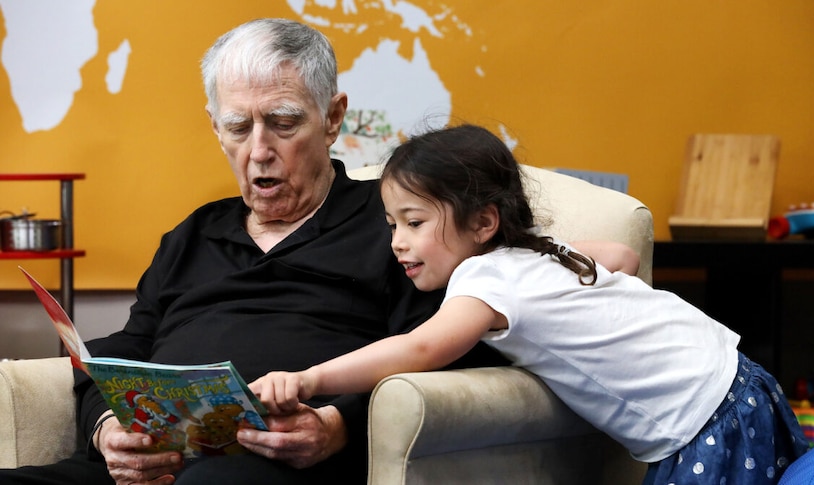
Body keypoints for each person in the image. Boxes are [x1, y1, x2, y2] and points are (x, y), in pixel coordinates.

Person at [0, 19, 632, 485]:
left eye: (282, 122)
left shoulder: (399, 229)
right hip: (155, 469)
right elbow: (124, 353)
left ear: (332, 119)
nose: (258, 151)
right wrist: (107, 430)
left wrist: (339, 425)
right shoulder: (192, 235)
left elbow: (438, 353)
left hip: (279, 468)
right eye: (237, 127)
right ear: (214, 125)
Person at [249, 123, 811, 485]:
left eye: (414, 224)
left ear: (484, 222)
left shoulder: (486, 278)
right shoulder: (532, 257)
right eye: (392, 224)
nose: (397, 241)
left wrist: (308, 379)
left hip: (705, 417)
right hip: (743, 379)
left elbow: (419, 346)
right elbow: (621, 256)